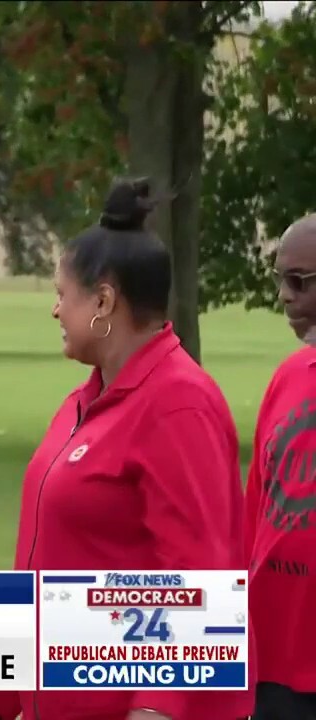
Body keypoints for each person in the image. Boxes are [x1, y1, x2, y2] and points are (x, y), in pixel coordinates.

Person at [0, 179, 252, 720]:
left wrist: (155, 710)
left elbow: (197, 579)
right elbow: (37, 572)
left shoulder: (178, 405)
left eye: (60, 294)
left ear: (103, 301)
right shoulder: (81, 403)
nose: (53, 310)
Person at [242, 214, 316, 720]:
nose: (285, 296)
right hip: (274, 662)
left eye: (300, 281)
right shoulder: (287, 378)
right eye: (280, 280)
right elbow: (254, 516)